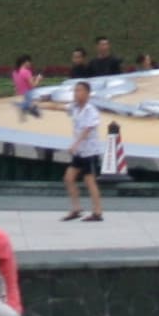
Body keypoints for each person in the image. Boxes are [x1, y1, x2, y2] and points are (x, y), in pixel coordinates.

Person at [61, 77, 107, 222]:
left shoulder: (91, 111)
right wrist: (39, 105)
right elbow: (59, 108)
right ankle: (76, 208)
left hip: (89, 152)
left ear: (87, 93)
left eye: (79, 90)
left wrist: (75, 144)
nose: (76, 93)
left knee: (90, 181)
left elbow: (87, 130)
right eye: (75, 90)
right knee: (69, 178)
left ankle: (97, 212)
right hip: (80, 152)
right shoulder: (74, 107)